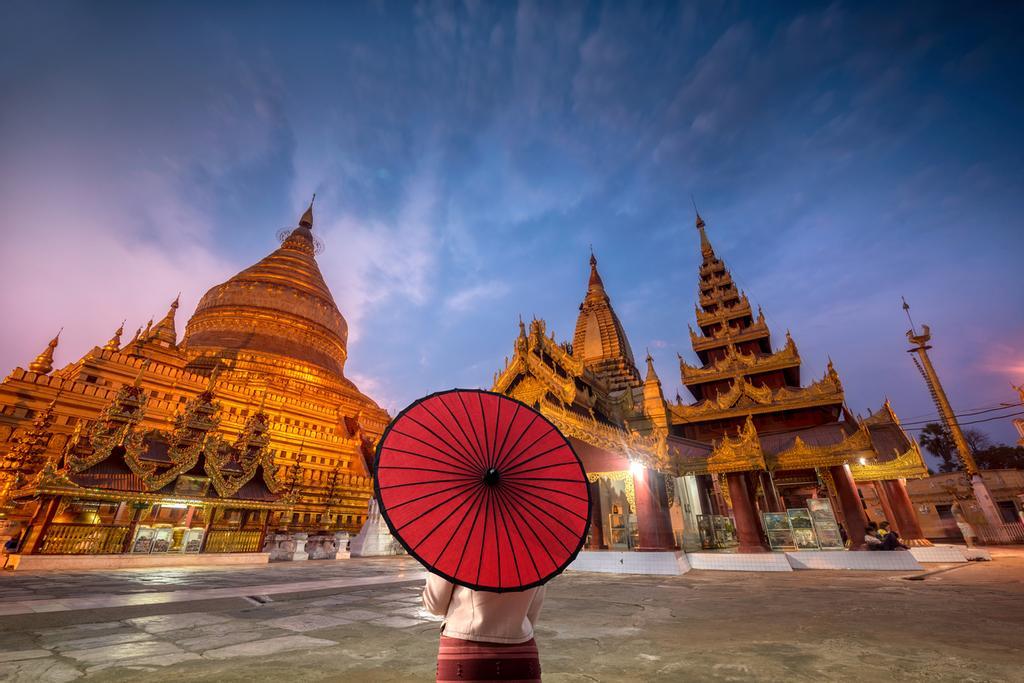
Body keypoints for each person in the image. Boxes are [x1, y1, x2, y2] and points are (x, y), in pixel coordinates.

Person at [423, 573, 545, 682]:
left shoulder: (455, 550)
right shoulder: (537, 556)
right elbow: (532, 612)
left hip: (465, 653)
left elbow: (435, 606)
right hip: (521, 651)